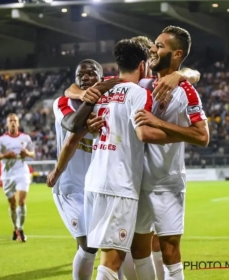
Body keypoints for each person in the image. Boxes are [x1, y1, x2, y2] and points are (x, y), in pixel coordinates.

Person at [64, 35, 201, 280]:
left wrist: (180, 74)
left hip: (96, 182)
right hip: (121, 184)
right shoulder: (139, 91)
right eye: (150, 53)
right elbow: (144, 132)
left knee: (126, 253)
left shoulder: (105, 87)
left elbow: (73, 97)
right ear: (142, 65)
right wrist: (185, 134)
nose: (153, 56)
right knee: (114, 259)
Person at [133, 26, 209, 280]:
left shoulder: (186, 91)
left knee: (169, 250)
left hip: (167, 182)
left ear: (177, 54)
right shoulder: (143, 85)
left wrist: (158, 122)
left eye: (160, 46)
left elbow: (202, 136)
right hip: (135, 182)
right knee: (138, 249)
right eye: (154, 44)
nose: (153, 49)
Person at [47, 59, 118, 280]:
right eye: (80, 74)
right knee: (88, 246)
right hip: (70, 186)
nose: (85, 77)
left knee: (110, 245)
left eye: (91, 73)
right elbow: (72, 125)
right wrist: (86, 112)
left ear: (101, 76)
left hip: (96, 185)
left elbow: (120, 80)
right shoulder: (63, 102)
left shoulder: (109, 102)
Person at [0, 113, 35, 242]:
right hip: (7, 175)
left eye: (15, 121)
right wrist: (5, 155)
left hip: (22, 171)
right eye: (10, 121)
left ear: (18, 123)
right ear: (7, 124)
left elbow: (33, 153)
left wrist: (26, 153)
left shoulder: (25, 138)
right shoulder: (1, 140)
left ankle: (20, 228)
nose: (13, 123)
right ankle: (15, 227)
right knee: (12, 204)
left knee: (21, 201)